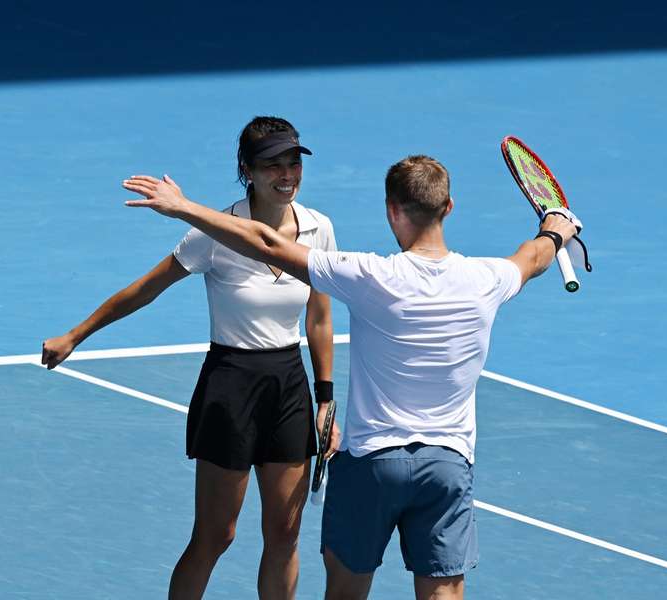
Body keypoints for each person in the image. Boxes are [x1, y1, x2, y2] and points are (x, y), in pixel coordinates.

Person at [122, 155, 579, 600]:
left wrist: (184, 207)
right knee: (444, 592)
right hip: (447, 466)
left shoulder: (368, 276)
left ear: (392, 210)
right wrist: (555, 230)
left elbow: (266, 243)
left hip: (371, 467)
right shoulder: (489, 278)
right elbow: (533, 256)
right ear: (449, 208)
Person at [42, 116, 341, 600]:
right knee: (215, 536)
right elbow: (144, 290)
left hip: (289, 387)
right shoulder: (212, 233)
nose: (286, 174)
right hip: (231, 385)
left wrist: (325, 398)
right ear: (247, 170)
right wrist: (76, 335)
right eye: (272, 165)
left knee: (284, 537)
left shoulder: (319, 229)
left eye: (292, 162)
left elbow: (320, 319)